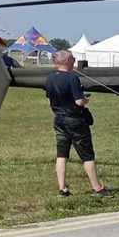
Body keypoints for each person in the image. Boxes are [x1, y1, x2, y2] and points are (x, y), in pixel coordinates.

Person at [44, 50, 110, 198]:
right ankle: (97, 188)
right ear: (67, 61)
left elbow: (50, 99)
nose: (74, 60)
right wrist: (86, 99)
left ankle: (62, 188)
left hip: (59, 119)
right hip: (75, 120)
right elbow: (79, 101)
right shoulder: (72, 78)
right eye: (73, 58)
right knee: (87, 155)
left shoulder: (50, 77)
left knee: (62, 154)